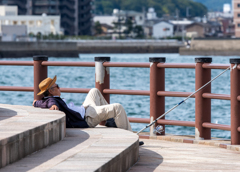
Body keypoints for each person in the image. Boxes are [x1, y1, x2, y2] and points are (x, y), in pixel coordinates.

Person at [33, 75, 132, 131]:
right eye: (57, 86)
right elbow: (51, 103)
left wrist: (35, 103)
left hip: (85, 109)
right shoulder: (52, 100)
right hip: (88, 118)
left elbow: (40, 103)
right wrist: (53, 106)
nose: (59, 88)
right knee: (117, 107)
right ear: (50, 91)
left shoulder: (45, 99)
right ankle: (130, 139)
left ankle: (110, 120)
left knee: (94, 91)